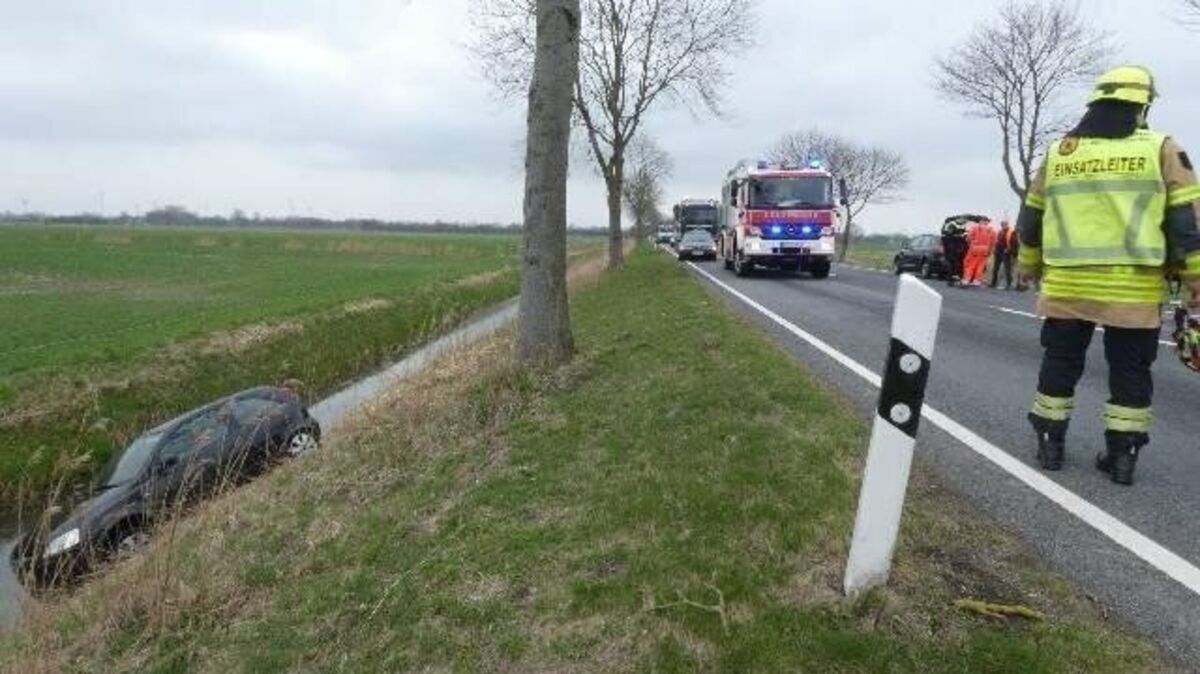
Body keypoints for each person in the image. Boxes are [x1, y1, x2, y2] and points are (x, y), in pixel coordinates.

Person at [1018, 65, 1200, 485]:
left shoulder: (1060, 152)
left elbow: (1032, 217)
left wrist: (1028, 265)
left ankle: (1050, 445)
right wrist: (1194, 279)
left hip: (1067, 284)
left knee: (1060, 363)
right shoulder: (1162, 148)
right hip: (1132, 288)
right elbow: (1185, 222)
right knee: (1130, 372)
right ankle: (1122, 457)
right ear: (1143, 104)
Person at [962, 218, 995, 286]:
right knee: (980, 266)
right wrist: (989, 251)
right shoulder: (992, 231)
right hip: (985, 250)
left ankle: (966, 279)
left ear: (981, 221)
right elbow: (993, 242)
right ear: (987, 222)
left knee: (970, 265)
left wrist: (970, 245)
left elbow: (968, 238)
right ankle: (976, 280)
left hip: (974, 249)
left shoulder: (975, 228)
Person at [941, 216, 969, 286]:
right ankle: (951, 280)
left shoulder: (962, 227)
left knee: (959, 265)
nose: (964, 222)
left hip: (958, 248)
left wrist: (963, 247)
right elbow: (949, 237)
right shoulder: (952, 225)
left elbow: (964, 237)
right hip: (951, 249)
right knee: (953, 265)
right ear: (959, 219)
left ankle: (958, 279)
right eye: (963, 220)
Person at [990, 221, 1016, 289]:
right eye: (1002, 225)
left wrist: (1009, 250)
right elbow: (997, 241)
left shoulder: (1011, 232)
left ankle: (1008, 284)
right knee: (995, 268)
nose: (1003, 226)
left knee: (1007, 269)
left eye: (1005, 225)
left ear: (1007, 225)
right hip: (998, 252)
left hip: (1006, 253)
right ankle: (993, 283)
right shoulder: (1000, 232)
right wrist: (995, 250)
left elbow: (1014, 243)